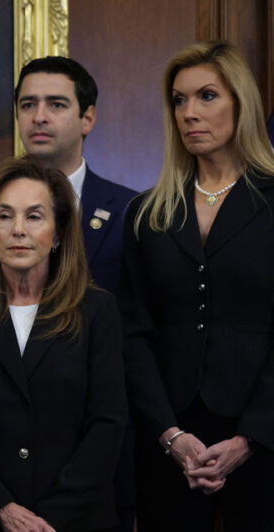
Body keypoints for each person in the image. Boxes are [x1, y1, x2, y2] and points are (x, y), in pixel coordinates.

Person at [121, 41, 274, 531]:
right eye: (179, 100)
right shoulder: (149, 212)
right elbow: (133, 334)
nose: (189, 113)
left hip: (264, 436)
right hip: (171, 442)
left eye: (206, 96)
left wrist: (251, 438)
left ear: (241, 104)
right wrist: (170, 435)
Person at [0, 156, 126, 532]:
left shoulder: (98, 312)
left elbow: (107, 426)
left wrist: (48, 520)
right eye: (4, 216)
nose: (18, 229)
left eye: (34, 216)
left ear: (61, 231)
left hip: (73, 522)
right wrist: (4, 509)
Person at [0, 57, 136, 295]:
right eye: (28, 105)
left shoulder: (131, 211)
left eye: (56, 105)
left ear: (87, 119)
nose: (38, 117)